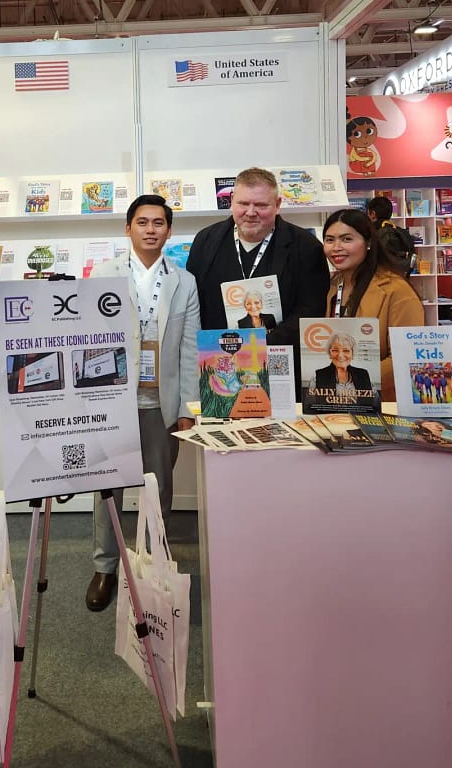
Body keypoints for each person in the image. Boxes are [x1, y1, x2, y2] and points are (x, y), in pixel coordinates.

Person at [86, 194, 199, 612]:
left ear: (169, 231)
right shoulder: (103, 274)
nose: (150, 230)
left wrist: (188, 408)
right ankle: (105, 567)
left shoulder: (184, 282)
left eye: (158, 223)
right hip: (112, 400)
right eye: (142, 222)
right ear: (127, 228)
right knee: (107, 490)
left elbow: (190, 350)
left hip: (161, 403)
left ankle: (153, 564)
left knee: (159, 488)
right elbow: (88, 342)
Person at [186, 167, 329, 391]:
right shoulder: (206, 241)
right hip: (218, 364)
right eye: (243, 203)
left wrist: (259, 347)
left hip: (280, 364)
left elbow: (310, 311)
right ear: (232, 201)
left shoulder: (306, 247)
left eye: (261, 205)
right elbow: (195, 304)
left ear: (277, 204)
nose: (251, 212)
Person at [322, 208, 424, 404]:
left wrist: (356, 382)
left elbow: (406, 357)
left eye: (346, 239)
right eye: (329, 240)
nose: (336, 247)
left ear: (368, 242)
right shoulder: (333, 286)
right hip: (338, 398)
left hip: (384, 403)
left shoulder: (396, 291)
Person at [305, 332, 378, 412]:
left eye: (346, 350)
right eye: (335, 350)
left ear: (352, 354)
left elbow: (375, 407)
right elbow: (310, 408)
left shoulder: (364, 375)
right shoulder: (317, 377)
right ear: (330, 353)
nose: (340, 355)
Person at [366, 195, 416, 277]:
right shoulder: (401, 231)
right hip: (401, 278)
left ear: (373, 214)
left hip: (383, 278)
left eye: (368, 214)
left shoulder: (376, 233)